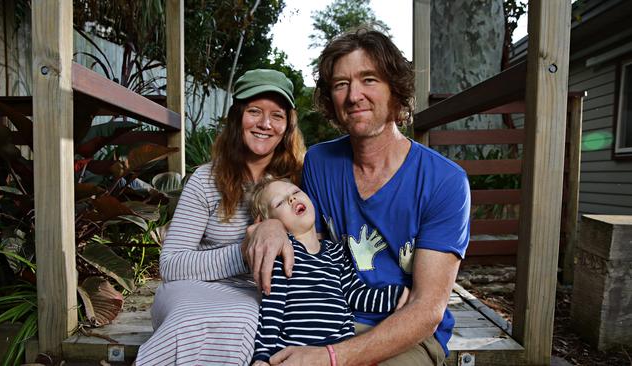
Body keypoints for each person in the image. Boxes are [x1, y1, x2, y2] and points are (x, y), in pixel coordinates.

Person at [244, 27, 471, 366]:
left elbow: (427, 310)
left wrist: (330, 358)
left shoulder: (445, 182)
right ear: (331, 100)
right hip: (327, 323)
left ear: (395, 89)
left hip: (403, 332)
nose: (354, 96)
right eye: (341, 84)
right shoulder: (320, 164)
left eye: (369, 79)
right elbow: (307, 241)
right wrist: (272, 227)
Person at [135, 69, 305, 366]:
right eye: (254, 111)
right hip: (190, 289)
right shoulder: (206, 180)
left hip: (262, 296)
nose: (265, 124)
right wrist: (246, 251)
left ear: (287, 125)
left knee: (246, 321)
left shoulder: (298, 180)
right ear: (237, 117)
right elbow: (171, 265)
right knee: (190, 321)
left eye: (277, 115)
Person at [248, 178, 409, 365]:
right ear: (268, 222)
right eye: (280, 202)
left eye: (295, 192)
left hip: (338, 350)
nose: (291, 199)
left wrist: (395, 295)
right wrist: (262, 355)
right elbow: (272, 309)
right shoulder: (283, 254)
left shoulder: (336, 251)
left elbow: (355, 294)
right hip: (294, 352)